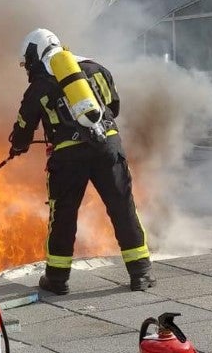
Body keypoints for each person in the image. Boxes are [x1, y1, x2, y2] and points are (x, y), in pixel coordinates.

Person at [8, 28, 153, 295]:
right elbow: (114, 106)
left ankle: (57, 280)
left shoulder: (39, 87)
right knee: (122, 208)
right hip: (108, 149)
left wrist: (18, 145)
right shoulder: (97, 69)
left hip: (67, 160)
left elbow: (23, 127)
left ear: (35, 56)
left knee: (62, 217)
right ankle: (140, 273)